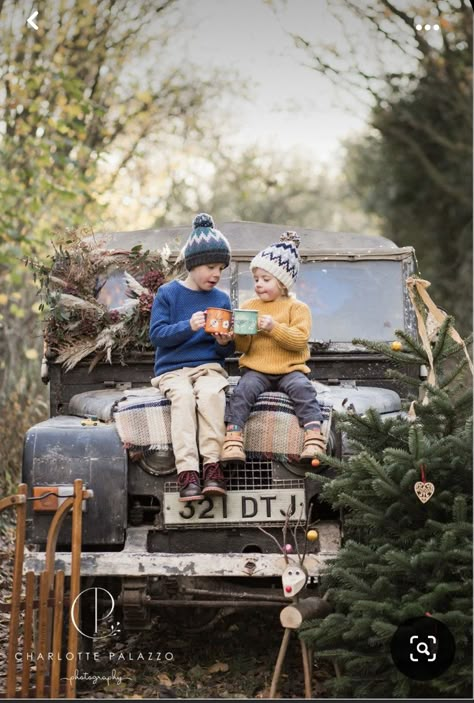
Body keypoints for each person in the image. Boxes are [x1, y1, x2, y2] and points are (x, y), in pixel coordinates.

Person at [221, 231, 325, 464]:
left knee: (303, 390)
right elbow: (243, 347)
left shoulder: (297, 308)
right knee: (242, 391)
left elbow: (299, 340)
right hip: (256, 370)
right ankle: (234, 439)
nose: (258, 284)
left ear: (282, 282)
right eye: (256, 279)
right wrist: (240, 333)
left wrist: (272, 327)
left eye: (265, 279)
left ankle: (313, 438)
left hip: (290, 369)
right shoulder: (249, 306)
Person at [150, 213, 234, 501]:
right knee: (183, 399)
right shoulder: (168, 294)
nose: (216, 274)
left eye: (221, 268)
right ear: (194, 264)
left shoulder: (221, 299)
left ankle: (212, 467)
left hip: (209, 367)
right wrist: (189, 326)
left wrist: (224, 342)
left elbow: (224, 353)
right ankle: (187, 474)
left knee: (212, 395)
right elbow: (157, 335)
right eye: (211, 266)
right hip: (173, 370)